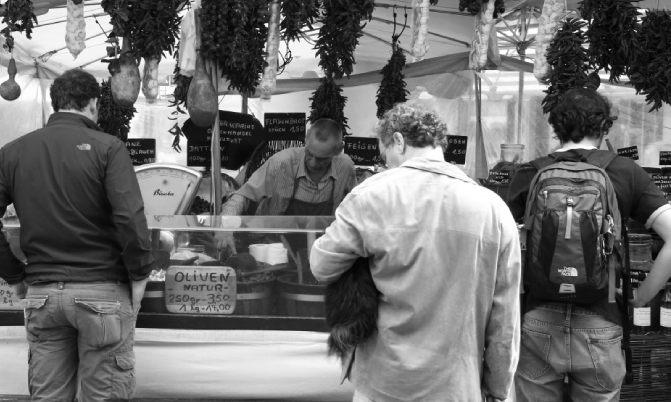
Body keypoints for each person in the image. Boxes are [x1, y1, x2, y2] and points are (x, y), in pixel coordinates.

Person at [310, 103, 521, 402]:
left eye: (385, 155)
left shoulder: (370, 195)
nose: (386, 165)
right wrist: (498, 388)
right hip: (456, 385)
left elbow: (321, 265)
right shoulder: (494, 209)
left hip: (383, 381)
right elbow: (505, 320)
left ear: (398, 141)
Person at [0, 69, 155, 402]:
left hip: (42, 299)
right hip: (102, 294)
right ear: (94, 104)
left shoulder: (12, 152)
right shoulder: (109, 148)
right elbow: (129, 217)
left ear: (55, 103)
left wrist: (15, 276)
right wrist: (140, 273)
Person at [508, 88, 671, 401]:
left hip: (538, 318)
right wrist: (640, 298)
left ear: (556, 126)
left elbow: (503, 248)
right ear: (604, 127)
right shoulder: (626, 172)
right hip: (602, 319)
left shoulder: (530, 172)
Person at [215, 118, 357, 253]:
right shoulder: (281, 163)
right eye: (309, 153)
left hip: (322, 250)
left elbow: (355, 207)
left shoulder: (345, 167)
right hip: (275, 248)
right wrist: (225, 226)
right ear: (306, 138)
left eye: (322, 159)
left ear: (339, 149)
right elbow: (242, 196)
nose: (313, 163)